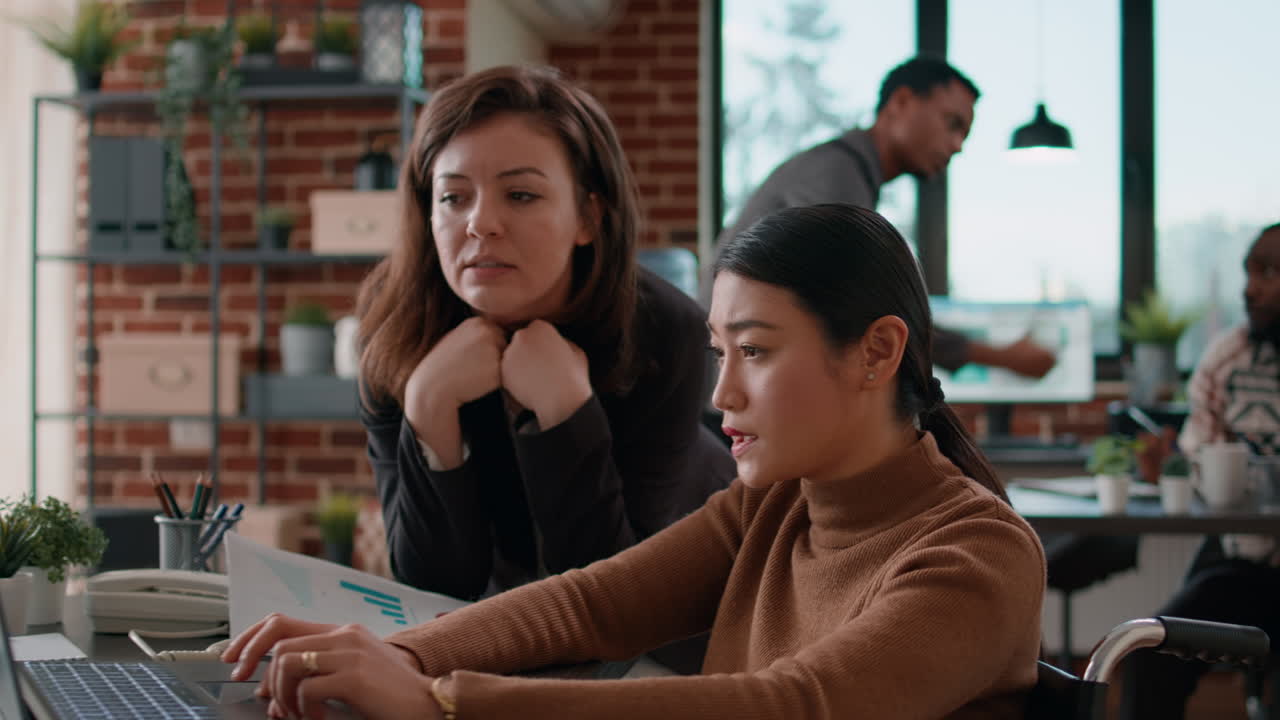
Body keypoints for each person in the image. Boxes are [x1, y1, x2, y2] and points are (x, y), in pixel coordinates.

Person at [222, 204, 1047, 720]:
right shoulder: (778, 503)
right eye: (720, 352)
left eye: (754, 351)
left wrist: (441, 704)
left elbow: (795, 705)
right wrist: (399, 656)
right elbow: (591, 605)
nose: (722, 395)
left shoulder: (978, 555)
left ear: (876, 352)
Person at [354, 65, 734, 601]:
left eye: (521, 195)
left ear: (587, 216)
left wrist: (568, 414)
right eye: (453, 197)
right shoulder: (393, 329)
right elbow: (431, 587)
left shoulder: (664, 331)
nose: (480, 223)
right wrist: (428, 404)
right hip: (513, 614)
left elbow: (618, 602)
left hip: (693, 595)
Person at [716, 56, 1055, 380]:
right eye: (953, 124)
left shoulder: (851, 176)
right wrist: (1003, 357)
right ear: (902, 102)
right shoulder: (837, 174)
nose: (957, 146)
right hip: (732, 389)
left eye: (965, 135)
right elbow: (866, 306)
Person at [1120, 222, 1280, 719]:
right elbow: (1197, 467)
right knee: (1149, 657)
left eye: (1269, 272)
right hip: (1245, 568)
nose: (1249, 288)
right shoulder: (1224, 362)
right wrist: (1168, 468)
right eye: (1248, 271)